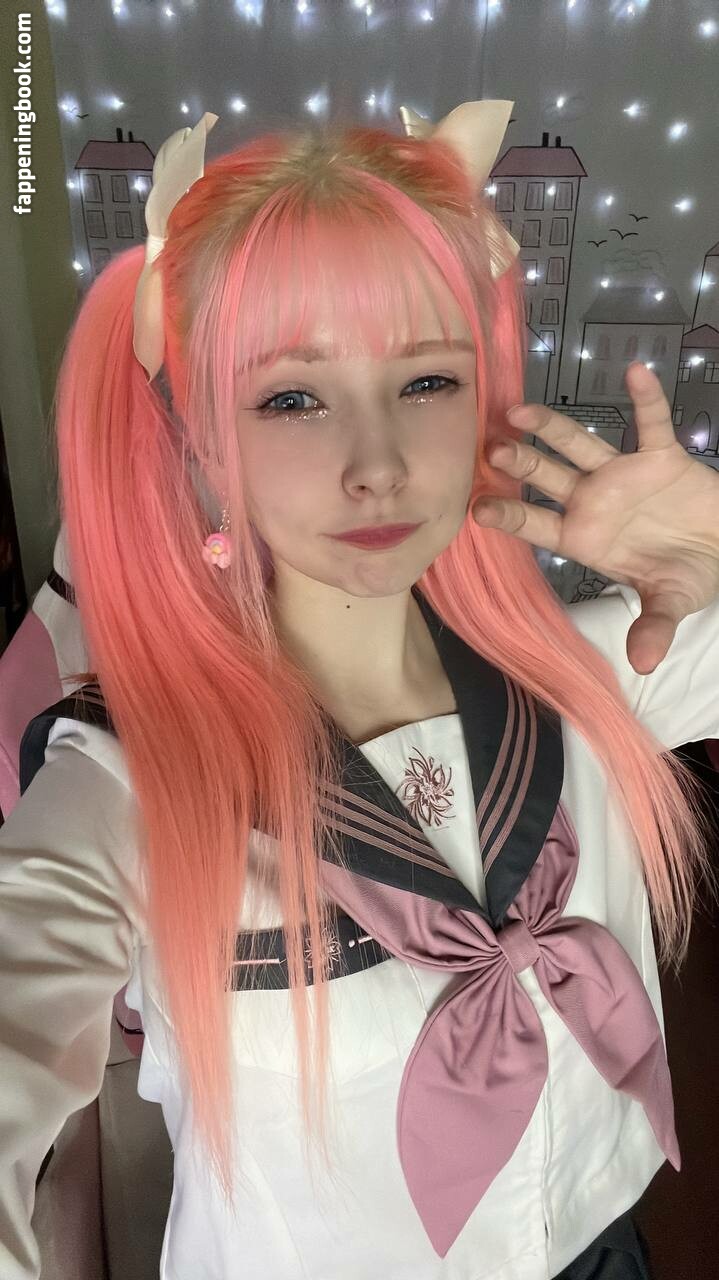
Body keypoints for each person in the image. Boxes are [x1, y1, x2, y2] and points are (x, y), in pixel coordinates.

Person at [1, 99, 719, 1280]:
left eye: (425, 379)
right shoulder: (131, 780)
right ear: (200, 435)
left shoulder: (596, 673)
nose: (376, 462)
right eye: (291, 396)